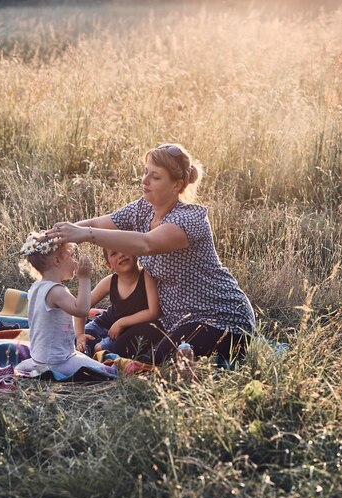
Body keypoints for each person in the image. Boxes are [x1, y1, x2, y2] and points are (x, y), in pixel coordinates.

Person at [45, 143, 256, 364]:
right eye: (145, 172)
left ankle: (190, 365)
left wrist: (84, 234)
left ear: (177, 185)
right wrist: (55, 237)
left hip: (220, 318)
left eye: (155, 177)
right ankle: (184, 358)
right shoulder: (142, 209)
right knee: (121, 348)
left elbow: (146, 243)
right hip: (170, 319)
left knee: (156, 361)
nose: (144, 180)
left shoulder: (190, 219)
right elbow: (98, 222)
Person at [15, 232, 117, 379]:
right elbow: (81, 310)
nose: (75, 262)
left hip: (40, 359)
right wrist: (84, 278)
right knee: (108, 371)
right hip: (59, 360)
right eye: (71, 256)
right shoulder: (56, 291)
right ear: (57, 260)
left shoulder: (37, 287)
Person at [75, 248, 161, 356]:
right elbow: (81, 308)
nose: (121, 255)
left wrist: (121, 323)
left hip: (131, 330)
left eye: (123, 247)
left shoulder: (147, 275)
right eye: (114, 253)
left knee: (108, 348)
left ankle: (99, 351)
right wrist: (79, 335)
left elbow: (154, 312)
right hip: (105, 324)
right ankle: (86, 358)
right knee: (76, 340)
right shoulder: (110, 281)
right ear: (109, 265)